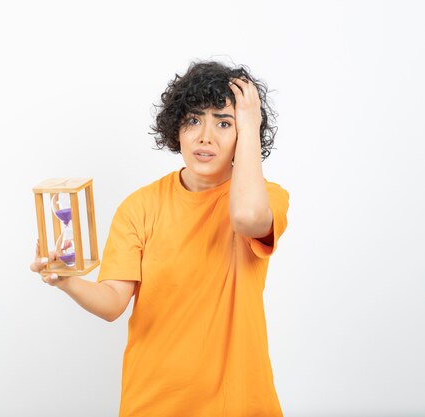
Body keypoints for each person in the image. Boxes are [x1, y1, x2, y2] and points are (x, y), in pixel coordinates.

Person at [30, 60, 290, 417]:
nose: (205, 137)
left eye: (224, 123)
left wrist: (250, 122)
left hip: (240, 403)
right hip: (154, 403)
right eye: (194, 120)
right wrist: (65, 281)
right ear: (176, 129)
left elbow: (246, 218)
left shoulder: (266, 197)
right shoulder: (141, 206)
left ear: (245, 133)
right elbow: (111, 303)